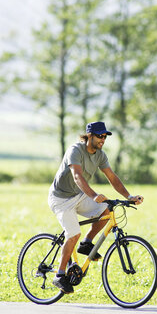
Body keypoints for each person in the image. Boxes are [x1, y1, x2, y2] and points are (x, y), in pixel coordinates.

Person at [48, 121, 143, 293]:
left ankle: (87, 243)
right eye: (100, 136)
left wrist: (129, 197)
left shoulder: (100, 155)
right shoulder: (75, 150)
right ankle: (59, 275)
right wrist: (93, 196)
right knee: (73, 233)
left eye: (105, 136)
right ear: (89, 136)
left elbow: (112, 177)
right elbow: (77, 176)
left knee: (107, 210)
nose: (103, 139)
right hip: (60, 199)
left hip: (78, 195)